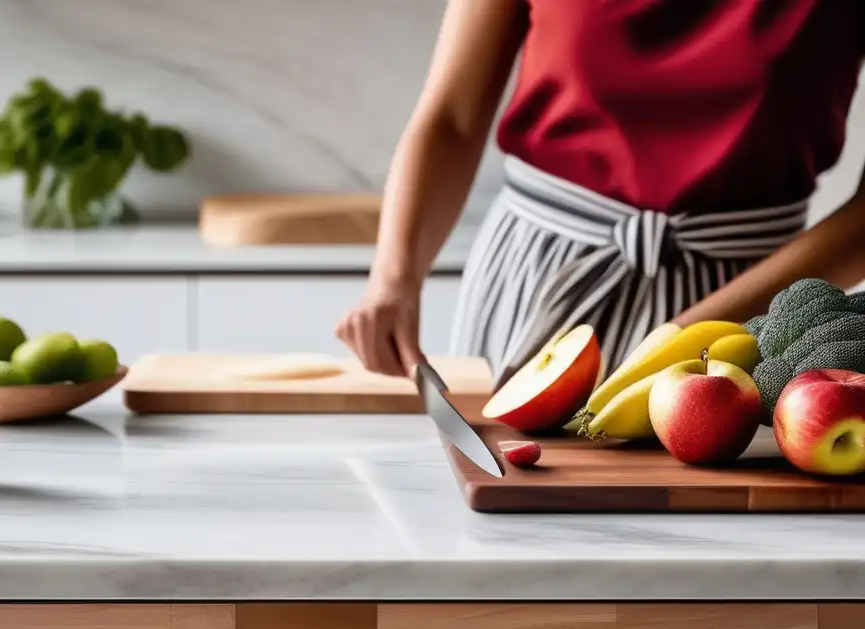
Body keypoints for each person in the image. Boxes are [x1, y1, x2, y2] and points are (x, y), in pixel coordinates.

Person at [336, 0, 865, 388]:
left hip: (754, 304)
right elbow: (452, 117)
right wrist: (394, 279)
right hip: (538, 273)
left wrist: (683, 337)